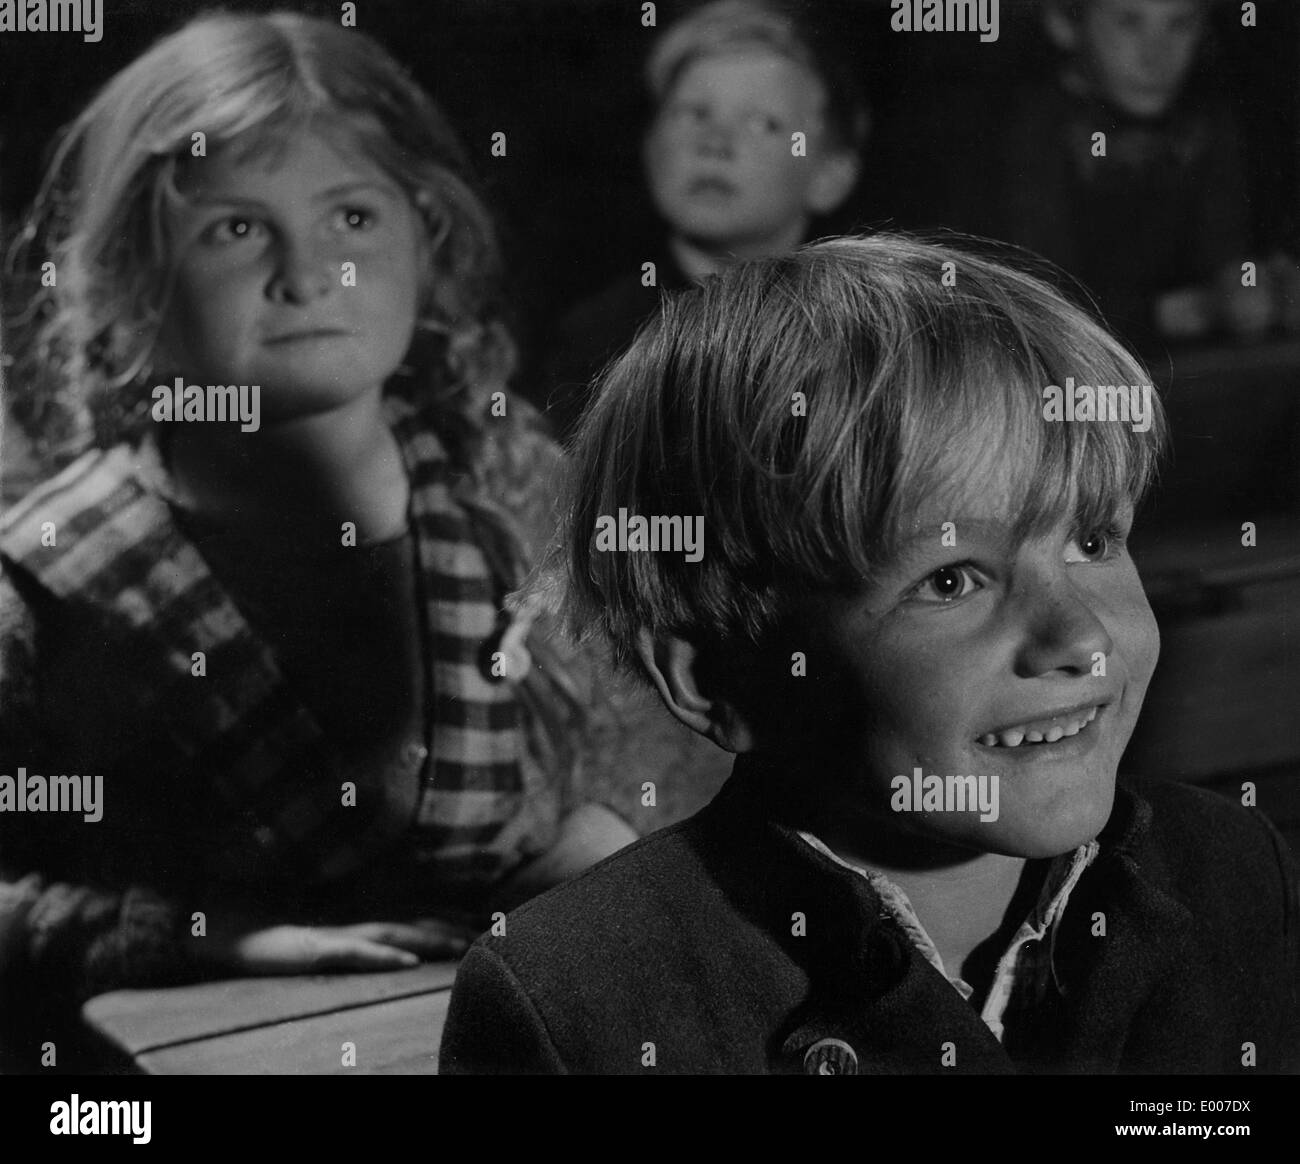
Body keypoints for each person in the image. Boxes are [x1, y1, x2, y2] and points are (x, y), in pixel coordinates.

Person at [441, 234, 1300, 1074]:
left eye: (1095, 539)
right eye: (953, 581)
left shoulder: (1234, 875)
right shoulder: (577, 1005)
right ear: (715, 682)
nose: (1080, 638)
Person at [0, 10, 666, 1069]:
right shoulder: (42, 581)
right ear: (133, 280)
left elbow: (646, 775)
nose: (309, 278)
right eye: (235, 229)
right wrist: (206, 939)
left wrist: (598, 847)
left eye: (352, 217)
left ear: (426, 236)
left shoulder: (517, 492)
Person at [540, 0, 866, 440]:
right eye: (693, 113)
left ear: (830, 174)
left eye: (763, 124)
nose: (715, 141)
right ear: (650, 147)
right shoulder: (596, 343)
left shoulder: (859, 346)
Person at [987, 0, 1280, 345]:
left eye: (1180, 25)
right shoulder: (1026, 131)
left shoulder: (1210, 120)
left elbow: (1227, 248)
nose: (1155, 56)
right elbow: (1036, 302)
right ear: (1063, 23)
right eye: (1128, 22)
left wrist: (1245, 284)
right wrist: (1170, 312)